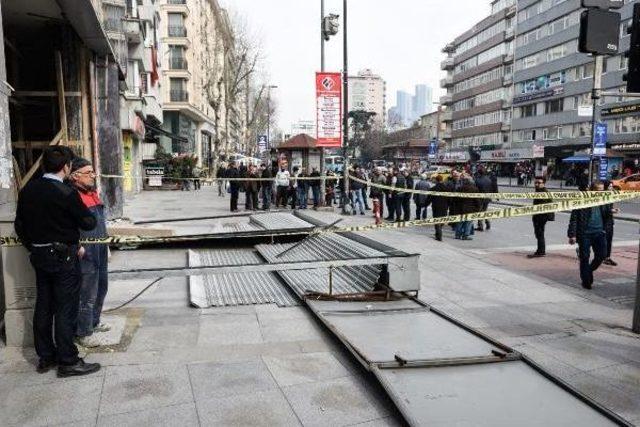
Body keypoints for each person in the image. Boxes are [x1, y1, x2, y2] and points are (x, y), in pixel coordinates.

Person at [15, 147, 101, 377]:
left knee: (44, 306)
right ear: (66, 167)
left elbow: (19, 226)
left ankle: (46, 356)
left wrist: (34, 246)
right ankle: (68, 360)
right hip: (64, 258)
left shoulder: (27, 190)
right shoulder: (65, 193)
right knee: (65, 308)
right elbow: (88, 222)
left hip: (39, 256)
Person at [67, 158, 110, 348]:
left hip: (99, 247)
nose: (93, 175)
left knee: (102, 286)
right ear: (75, 176)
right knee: (87, 292)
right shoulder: (71, 196)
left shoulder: (92, 193)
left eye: (93, 172)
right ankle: (83, 332)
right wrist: (77, 246)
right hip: (86, 251)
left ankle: (94, 321)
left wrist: (106, 245)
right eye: (88, 172)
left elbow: (101, 223)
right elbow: (67, 226)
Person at [567, 181, 612, 289]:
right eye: (598, 190)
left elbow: (607, 216)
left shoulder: (605, 200)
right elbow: (574, 218)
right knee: (585, 257)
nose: (600, 192)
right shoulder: (582, 201)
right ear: (592, 190)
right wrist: (572, 235)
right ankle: (586, 281)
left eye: (602, 190)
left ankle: (589, 270)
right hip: (585, 234)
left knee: (602, 255)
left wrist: (610, 214)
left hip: (599, 233)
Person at [528, 177, 554, 258]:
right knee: (538, 234)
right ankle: (540, 250)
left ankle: (541, 251)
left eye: (539, 183)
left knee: (540, 234)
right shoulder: (539, 191)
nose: (537, 184)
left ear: (543, 183)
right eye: (535, 182)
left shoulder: (544, 192)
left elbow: (544, 205)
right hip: (538, 216)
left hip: (541, 217)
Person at [455, 174, 481, 240]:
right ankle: (465, 235)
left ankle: (457, 235)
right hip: (470, 208)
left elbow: (456, 199)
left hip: (460, 208)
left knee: (460, 222)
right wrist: (478, 208)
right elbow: (477, 200)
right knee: (468, 222)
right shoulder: (475, 189)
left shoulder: (460, 188)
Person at [426, 175, 449, 241]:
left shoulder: (433, 188)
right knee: (442, 220)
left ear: (436, 180)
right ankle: (438, 232)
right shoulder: (447, 189)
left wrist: (425, 205)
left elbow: (429, 199)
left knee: (437, 221)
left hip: (436, 207)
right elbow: (450, 198)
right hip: (444, 207)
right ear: (442, 180)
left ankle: (438, 234)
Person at [603, 181, 619, 266]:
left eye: (612, 186)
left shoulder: (611, 197)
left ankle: (607, 258)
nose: (611, 188)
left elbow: (610, 208)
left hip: (609, 222)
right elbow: (602, 209)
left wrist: (614, 210)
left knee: (609, 240)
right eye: (609, 186)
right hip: (603, 222)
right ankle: (582, 249)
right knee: (601, 241)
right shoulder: (602, 197)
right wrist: (610, 211)